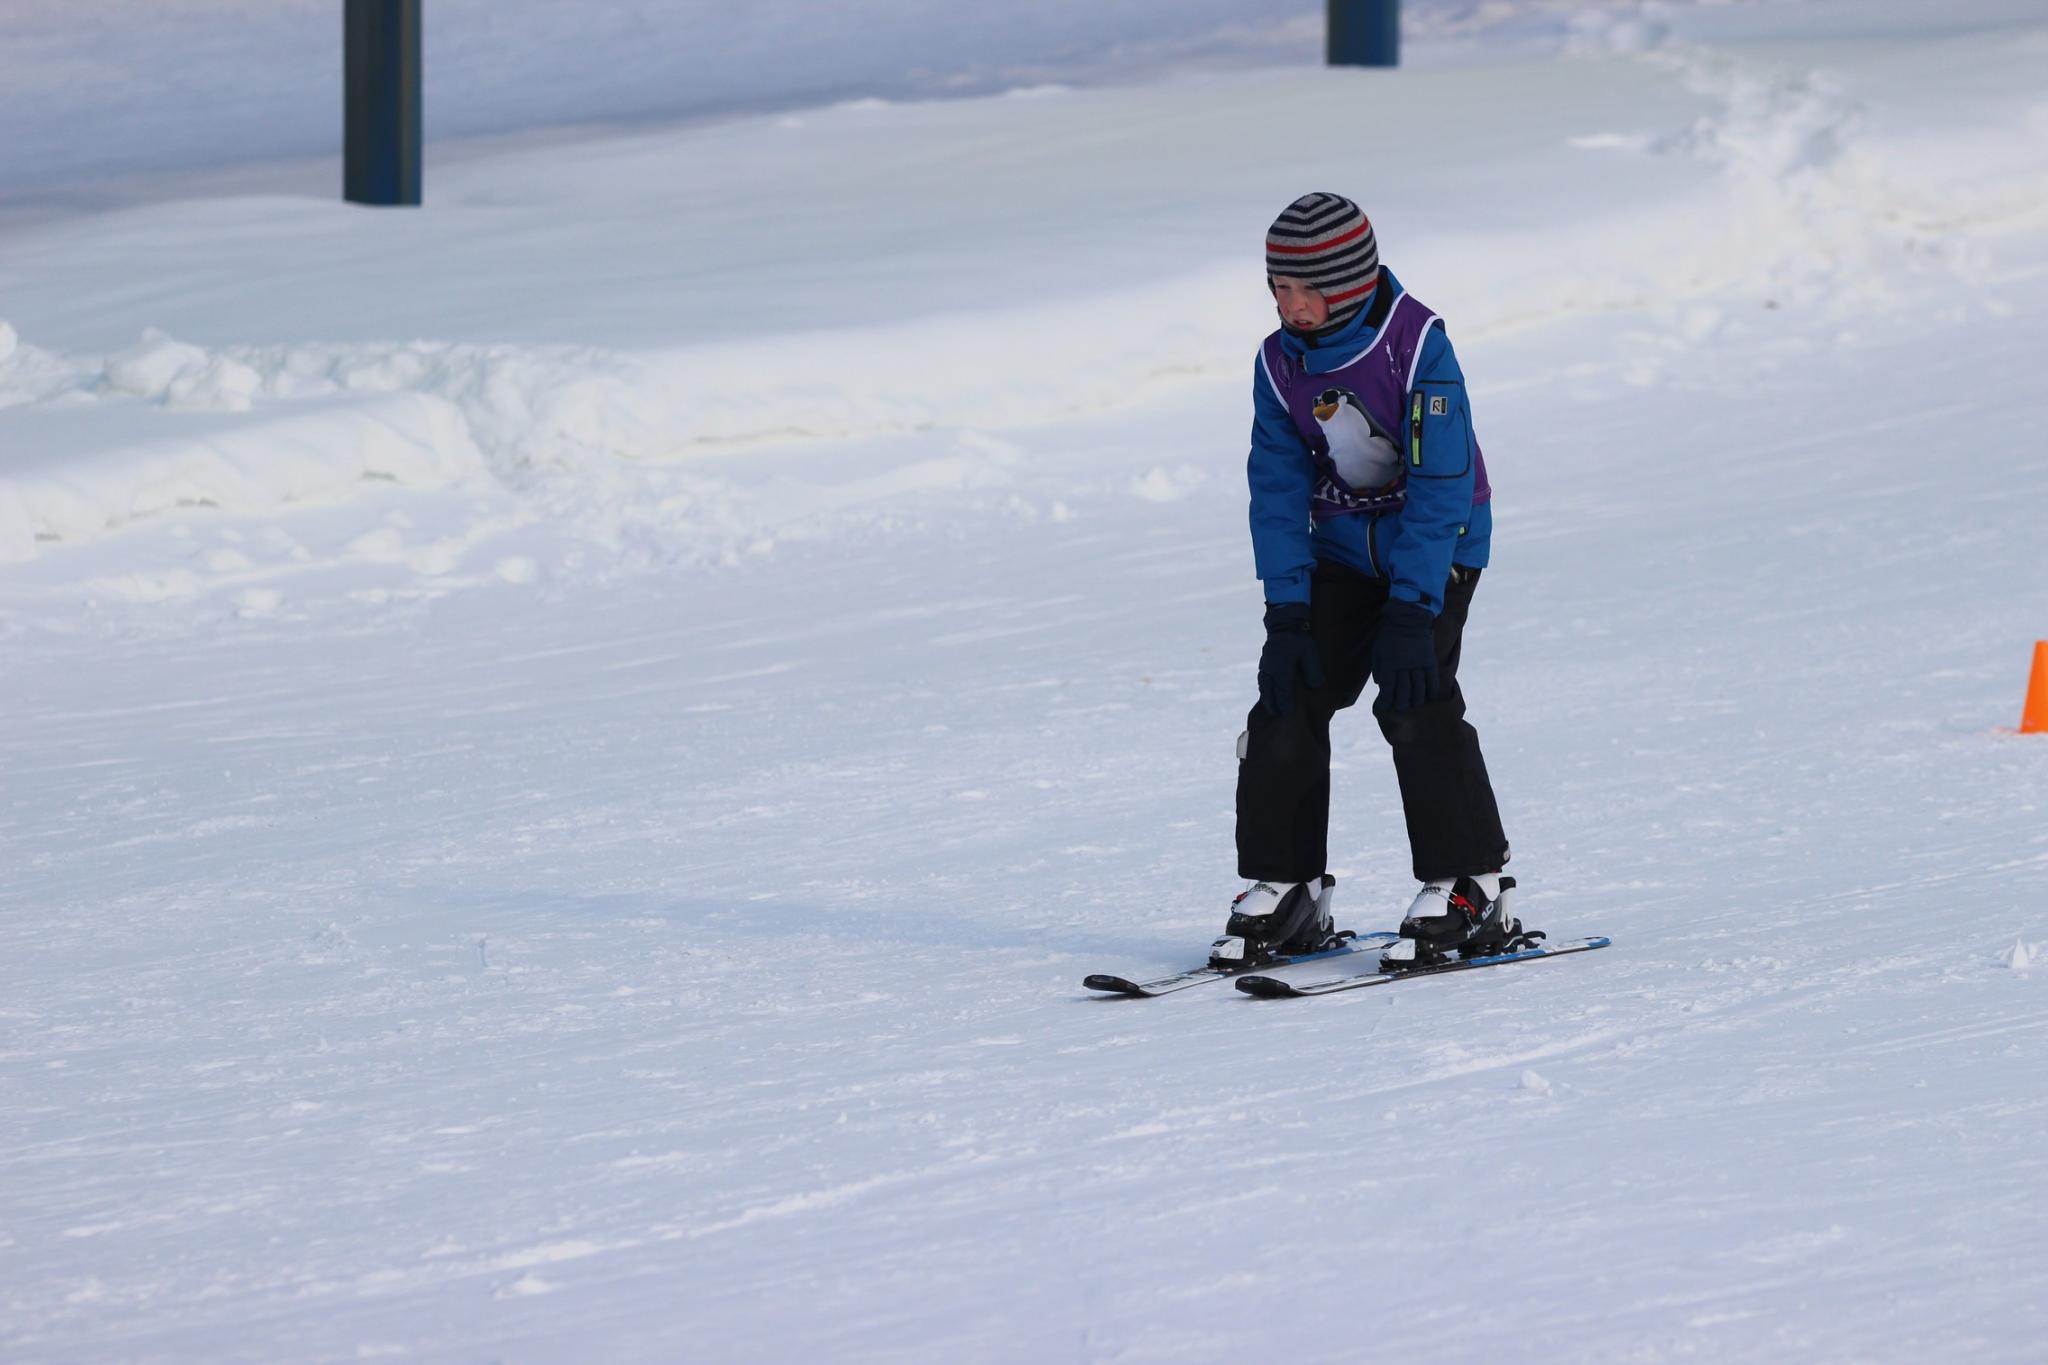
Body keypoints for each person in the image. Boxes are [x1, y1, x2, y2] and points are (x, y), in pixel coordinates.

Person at [1210, 192, 1531, 970]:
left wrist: (1415, 608)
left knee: (1413, 692)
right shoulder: (1276, 362)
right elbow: (1277, 490)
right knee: (1289, 695)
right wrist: (1285, 611)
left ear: (1347, 283)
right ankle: (1288, 885)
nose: (1288, 305)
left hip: (1439, 545)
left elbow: (1442, 484)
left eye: (1304, 288)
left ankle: (1471, 884)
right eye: (1276, 287)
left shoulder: (1417, 346)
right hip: (1344, 555)